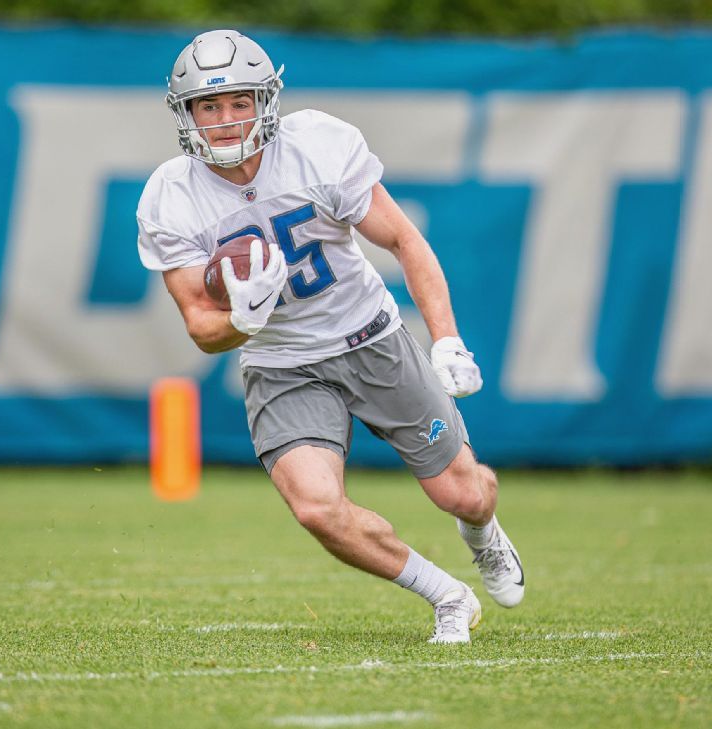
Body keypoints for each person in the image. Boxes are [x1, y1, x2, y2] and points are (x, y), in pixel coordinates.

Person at [136, 29, 525, 644]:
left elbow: (404, 241)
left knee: (465, 494)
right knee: (316, 507)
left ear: (267, 99)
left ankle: (483, 536)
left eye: (239, 101)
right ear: (185, 114)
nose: (227, 119)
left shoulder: (317, 145)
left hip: (368, 334)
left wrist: (446, 340)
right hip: (281, 361)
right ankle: (447, 595)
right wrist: (246, 318)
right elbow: (201, 329)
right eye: (208, 106)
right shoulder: (170, 195)